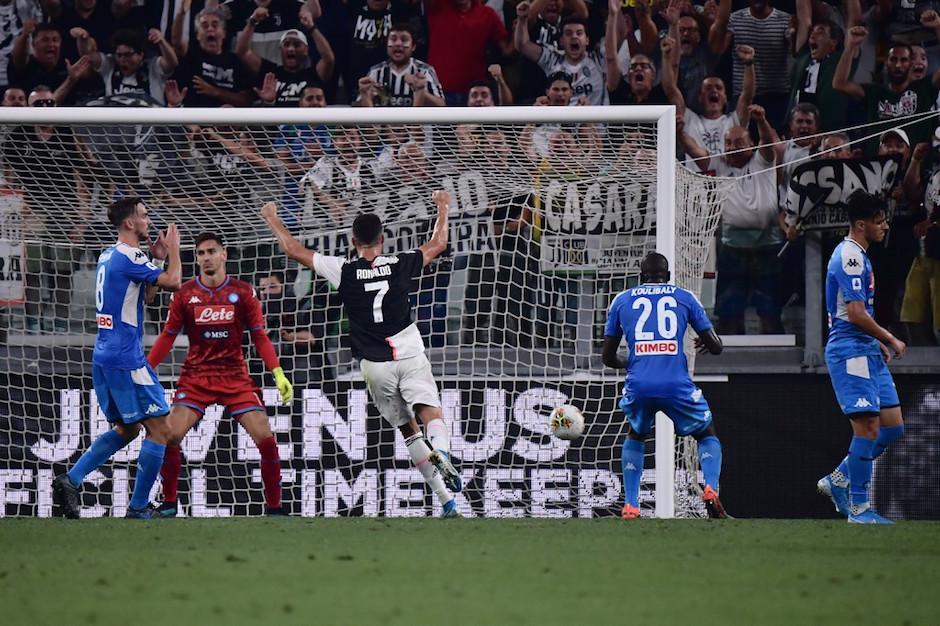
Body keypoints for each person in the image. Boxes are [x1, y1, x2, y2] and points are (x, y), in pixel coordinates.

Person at [260, 192, 464, 518]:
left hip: (374, 365)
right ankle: (441, 451)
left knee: (408, 430)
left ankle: (446, 502)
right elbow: (438, 243)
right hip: (409, 352)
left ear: (353, 241)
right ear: (382, 239)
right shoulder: (398, 263)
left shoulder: (343, 269)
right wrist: (443, 206)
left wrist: (272, 217)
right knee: (431, 414)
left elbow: (293, 249)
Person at [51, 198, 182, 519]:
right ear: (129, 223)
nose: (149, 222)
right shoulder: (130, 254)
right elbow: (175, 282)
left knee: (127, 430)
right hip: (127, 358)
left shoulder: (108, 255)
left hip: (105, 356)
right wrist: (176, 251)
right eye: (144, 216)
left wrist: (157, 259)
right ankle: (138, 507)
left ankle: (71, 479)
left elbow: (145, 294)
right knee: (161, 430)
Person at [147, 232, 294, 517]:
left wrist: (277, 372)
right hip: (196, 377)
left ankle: (275, 509)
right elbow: (166, 337)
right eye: (201, 253)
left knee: (266, 437)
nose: (206, 258)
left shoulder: (243, 292)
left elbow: (260, 337)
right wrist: (145, 370)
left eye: (211, 251)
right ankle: (169, 504)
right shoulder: (185, 294)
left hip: (235, 378)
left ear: (223, 254)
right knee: (169, 435)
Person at [602, 252, 727, 519]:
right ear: (668, 276)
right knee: (706, 433)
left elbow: (608, 358)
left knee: (635, 435)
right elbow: (716, 347)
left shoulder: (621, 301)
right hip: (675, 384)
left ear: (640, 277)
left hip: (639, 383)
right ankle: (712, 488)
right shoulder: (684, 297)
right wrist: (708, 341)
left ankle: (632, 505)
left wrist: (634, 360)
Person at [816, 190, 906, 524]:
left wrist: (875, 340)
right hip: (849, 350)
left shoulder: (860, 255)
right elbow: (853, 313)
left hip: (865, 347)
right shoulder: (849, 257)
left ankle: (838, 480)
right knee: (867, 427)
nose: (884, 227)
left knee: (893, 427)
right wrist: (889, 337)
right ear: (860, 224)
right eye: (879, 221)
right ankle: (858, 508)